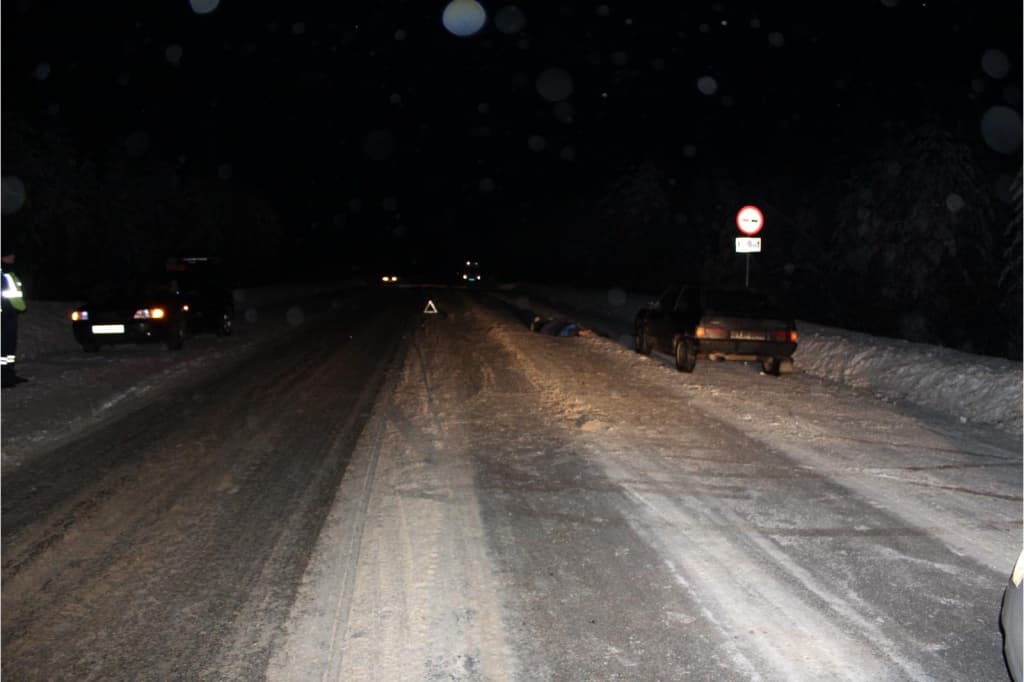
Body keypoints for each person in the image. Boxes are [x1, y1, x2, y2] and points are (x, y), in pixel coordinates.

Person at [2, 246, 27, 388]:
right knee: (4, 348)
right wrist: (20, 307)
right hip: (5, 316)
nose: (13, 257)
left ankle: (9, 374)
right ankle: (4, 377)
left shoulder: (9, 272)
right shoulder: (4, 274)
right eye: (9, 254)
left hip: (10, 315)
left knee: (9, 348)